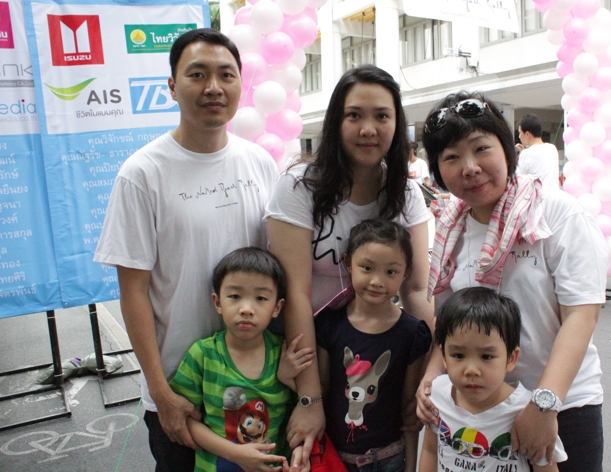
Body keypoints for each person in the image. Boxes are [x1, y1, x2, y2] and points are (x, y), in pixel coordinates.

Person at [94, 28, 279, 471]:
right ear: (173, 86)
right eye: (197, 74)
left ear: (240, 85)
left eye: (226, 75)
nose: (213, 87)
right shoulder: (142, 173)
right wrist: (160, 392)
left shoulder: (260, 163)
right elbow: (133, 292)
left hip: (257, 382)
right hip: (183, 391)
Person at [417, 91, 607, 472]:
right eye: (452, 157)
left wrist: (544, 403)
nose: (470, 167)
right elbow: (450, 323)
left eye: (481, 149)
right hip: (480, 409)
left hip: (562, 407)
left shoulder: (555, 213)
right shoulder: (450, 229)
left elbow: (581, 315)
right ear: (437, 171)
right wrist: (432, 377)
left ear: (507, 151)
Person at [265, 65, 434, 464]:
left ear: (397, 124)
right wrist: (310, 398)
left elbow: (416, 292)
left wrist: (429, 378)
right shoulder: (299, 187)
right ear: (335, 122)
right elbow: (296, 295)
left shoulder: (406, 192)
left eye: (382, 116)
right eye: (354, 115)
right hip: (307, 358)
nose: (368, 129)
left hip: (369, 359)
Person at [169, 247, 313, 472]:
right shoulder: (202, 355)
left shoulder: (283, 354)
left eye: (261, 298)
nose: (246, 309)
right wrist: (234, 453)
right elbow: (185, 419)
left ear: (277, 307)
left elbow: (303, 413)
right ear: (218, 302)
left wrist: (289, 381)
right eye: (235, 296)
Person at [315, 219, 432, 472]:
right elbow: (320, 390)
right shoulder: (328, 325)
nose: (377, 281)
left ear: (406, 273)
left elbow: (409, 411)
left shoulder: (413, 334)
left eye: (391, 272)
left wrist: (411, 467)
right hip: (334, 459)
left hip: (389, 460)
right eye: (367, 268)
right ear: (348, 263)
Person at [419, 287, 566, 472]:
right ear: (444, 356)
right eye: (458, 355)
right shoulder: (438, 394)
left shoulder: (525, 412)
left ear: (511, 359)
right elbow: (430, 451)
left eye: (486, 357)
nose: (471, 370)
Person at [515, 114, 560, 191]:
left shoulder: (526, 154)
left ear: (527, 134)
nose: (519, 136)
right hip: (554, 196)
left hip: (537, 197)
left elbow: (518, 180)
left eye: (520, 133)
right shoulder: (552, 148)